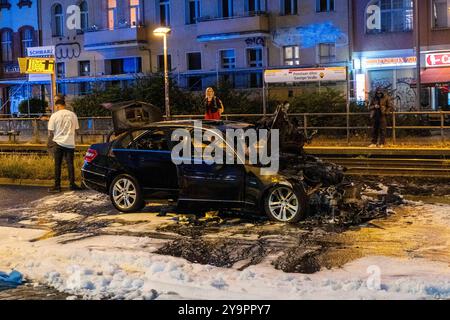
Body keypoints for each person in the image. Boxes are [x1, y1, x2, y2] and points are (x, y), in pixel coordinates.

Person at [48, 99, 82, 193]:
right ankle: (72, 184)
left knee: (57, 165)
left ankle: (57, 186)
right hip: (70, 143)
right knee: (70, 164)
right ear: (65, 104)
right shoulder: (73, 115)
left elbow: (51, 130)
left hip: (58, 143)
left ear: (57, 106)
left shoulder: (54, 116)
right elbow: (76, 129)